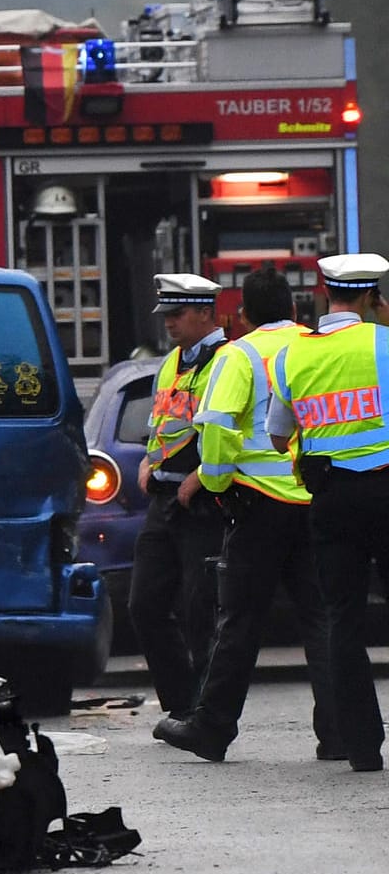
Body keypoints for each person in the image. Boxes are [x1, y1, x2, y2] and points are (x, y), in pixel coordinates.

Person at [154, 268, 344, 762]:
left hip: (257, 504)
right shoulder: (315, 347)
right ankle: (338, 730)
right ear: (297, 310)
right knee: (321, 619)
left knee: (238, 620)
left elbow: (215, 430)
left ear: (242, 316)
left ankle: (211, 728)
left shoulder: (238, 356)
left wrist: (213, 484)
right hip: (314, 499)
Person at [258, 253, 389, 772]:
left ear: (323, 292)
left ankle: (361, 748)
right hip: (387, 490)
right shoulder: (384, 344)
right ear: (372, 297)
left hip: (331, 501)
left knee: (342, 621)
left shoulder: (293, 357)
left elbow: (277, 433)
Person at [129, 273, 229, 719]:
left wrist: (205, 475)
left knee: (200, 611)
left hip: (205, 501)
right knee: (144, 604)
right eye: (166, 314)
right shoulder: (173, 361)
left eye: (178, 313)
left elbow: (238, 430)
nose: (169, 322)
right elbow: (163, 423)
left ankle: (208, 711)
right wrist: (148, 460)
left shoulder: (227, 361)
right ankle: (182, 705)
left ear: (206, 313)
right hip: (164, 497)